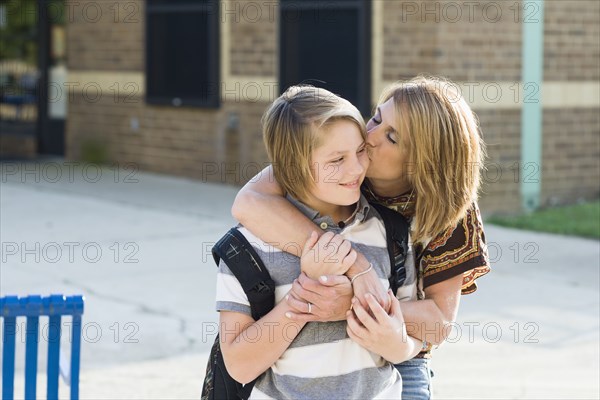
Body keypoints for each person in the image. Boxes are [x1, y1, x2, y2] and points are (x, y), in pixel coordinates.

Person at [231, 76, 491, 399]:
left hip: (399, 349)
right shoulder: (344, 163)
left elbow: (437, 322)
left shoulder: (451, 212)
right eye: (377, 119)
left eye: (391, 137)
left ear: (424, 164)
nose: (369, 137)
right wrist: (356, 265)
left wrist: (355, 302)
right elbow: (249, 202)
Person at [216, 85, 421, 399]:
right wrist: (306, 293)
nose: (356, 168)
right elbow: (239, 367)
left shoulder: (390, 233)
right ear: (293, 168)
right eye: (337, 159)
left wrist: (395, 341)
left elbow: (408, 342)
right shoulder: (248, 245)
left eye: (360, 150)